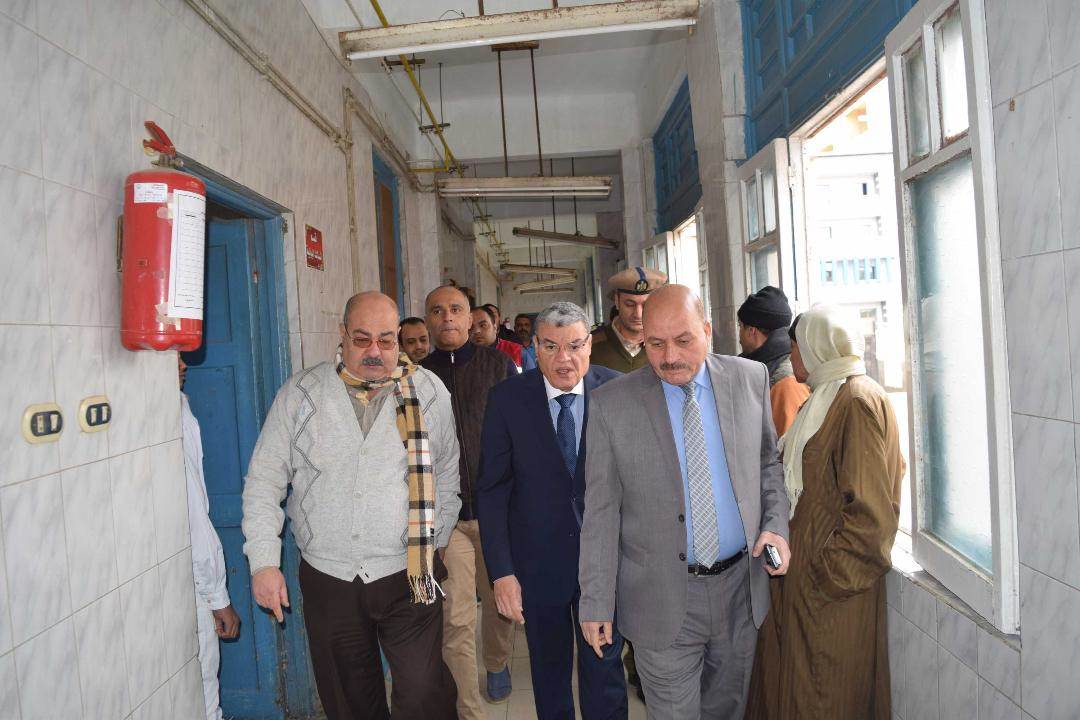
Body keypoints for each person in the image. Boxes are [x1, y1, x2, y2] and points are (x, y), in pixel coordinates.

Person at [242, 291, 460, 720]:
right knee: (349, 702)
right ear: (342, 335)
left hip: (410, 573)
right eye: (361, 339)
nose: (374, 351)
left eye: (386, 339)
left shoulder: (428, 391)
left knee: (423, 693)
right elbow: (264, 480)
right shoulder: (302, 394)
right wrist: (263, 561)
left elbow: (448, 472)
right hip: (330, 577)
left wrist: (436, 540)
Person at [578, 284, 791, 720]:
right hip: (659, 597)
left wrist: (775, 526)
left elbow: (768, 465)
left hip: (740, 591)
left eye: (683, 340)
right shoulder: (611, 405)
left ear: (708, 331)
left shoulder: (750, 379)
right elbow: (600, 512)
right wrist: (595, 600)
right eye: (655, 343)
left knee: (727, 711)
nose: (670, 356)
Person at [744, 306, 904, 720]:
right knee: (794, 695)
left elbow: (871, 519)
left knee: (825, 699)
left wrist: (821, 579)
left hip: (832, 597)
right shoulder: (825, 397)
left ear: (817, 347)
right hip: (803, 589)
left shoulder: (857, 401)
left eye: (796, 347)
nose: (792, 357)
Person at [476, 302, 628, 720]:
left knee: (605, 674)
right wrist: (502, 573)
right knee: (549, 675)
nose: (564, 359)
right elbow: (492, 490)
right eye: (550, 347)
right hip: (537, 566)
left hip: (604, 565)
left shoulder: (618, 391)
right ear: (534, 348)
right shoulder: (508, 399)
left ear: (590, 345)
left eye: (574, 346)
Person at [422, 285, 517, 717]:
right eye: (437, 311)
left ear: (470, 318)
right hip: (447, 518)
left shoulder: (498, 366)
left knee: (499, 602)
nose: (447, 317)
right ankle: (469, 710)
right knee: (456, 618)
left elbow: (519, 434)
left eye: (456, 309)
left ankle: (497, 662)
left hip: (496, 513)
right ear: (428, 320)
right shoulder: (416, 377)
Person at [179, 358, 240, 720]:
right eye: (172, 354)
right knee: (203, 694)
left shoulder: (178, 407)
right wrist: (218, 598)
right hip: (191, 583)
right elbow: (193, 515)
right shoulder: (171, 416)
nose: (182, 363)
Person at [737, 286, 810, 436]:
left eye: (740, 326)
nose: (739, 336)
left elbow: (789, 446)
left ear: (751, 331)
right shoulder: (764, 368)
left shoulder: (786, 382)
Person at [589, 266, 667, 374]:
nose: (638, 314)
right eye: (630, 304)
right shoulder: (590, 344)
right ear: (617, 301)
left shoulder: (666, 343)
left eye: (645, 305)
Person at [472, 305, 523, 369]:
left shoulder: (518, 352)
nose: (476, 331)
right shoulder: (462, 355)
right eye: (471, 327)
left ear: (495, 327)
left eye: (483, 325)